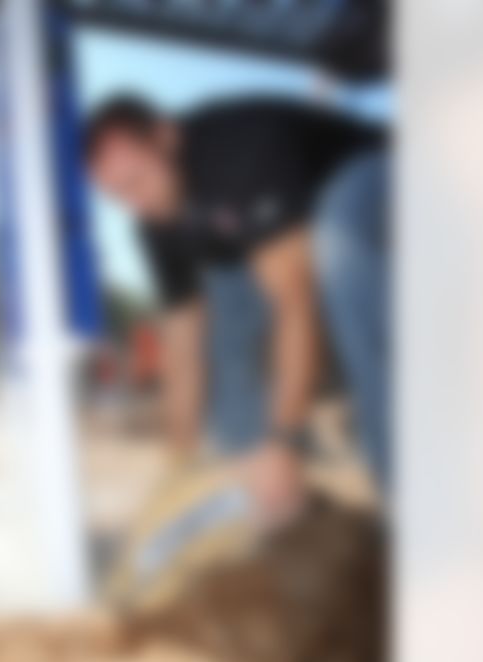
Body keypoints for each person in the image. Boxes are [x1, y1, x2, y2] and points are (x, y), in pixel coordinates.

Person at [83, 94, 390, 522]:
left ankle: (401, 480)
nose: (135, 203)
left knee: (339, 246)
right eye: (116, 194)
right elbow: (183, 348)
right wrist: (177, 465)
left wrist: (284, 438)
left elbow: (294, 303)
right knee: (223, 336)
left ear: (167, 137)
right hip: (281, 234)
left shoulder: (241, 154)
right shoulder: (153, 223)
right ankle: (273, 506)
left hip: (380, 171)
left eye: (136, 180)